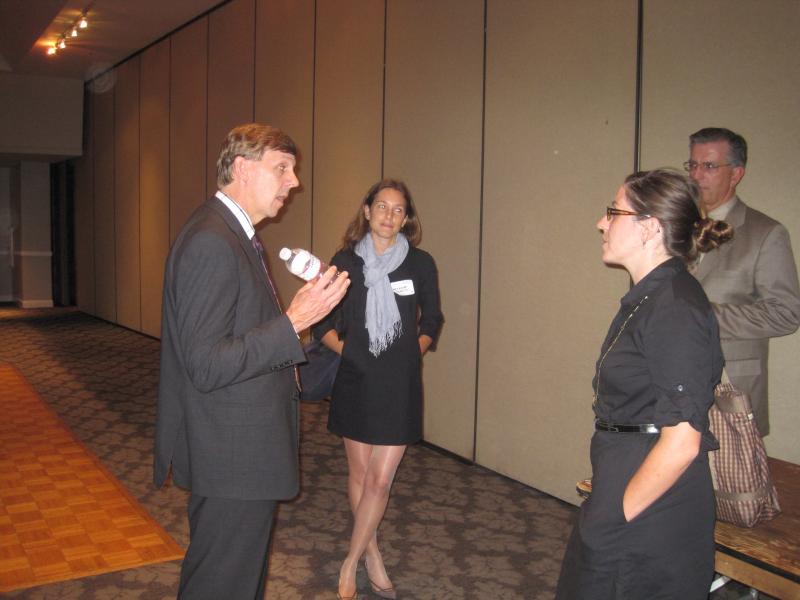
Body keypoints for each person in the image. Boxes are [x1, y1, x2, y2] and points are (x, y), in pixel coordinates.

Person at [154, 123, 350, 599]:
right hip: (231, 456)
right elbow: (205, 362)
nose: (294, 182)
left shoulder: (232, 235)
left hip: (238, 451)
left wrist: (294, 321)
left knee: (234, 583)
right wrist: (293, 322)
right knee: (222, 585)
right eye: (282, 168)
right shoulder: (212, 241)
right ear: (242, 168)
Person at [556, 169, 733, 599]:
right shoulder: (653, 296)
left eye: (613, 212)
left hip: (650, 512)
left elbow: (682, 442)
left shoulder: (674, 306)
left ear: (650, 227)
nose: (602, 222)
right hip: (628, 484)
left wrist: (614, 515)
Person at [313, 179, 443, 600]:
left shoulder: (420, 264)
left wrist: (413, 351)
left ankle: (351, 561)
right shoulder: (344, 262)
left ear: (407, 218)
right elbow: (322, 323)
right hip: (356, 378)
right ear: (367, 211)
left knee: (381, 481)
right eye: (382, 206)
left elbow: (433, 320)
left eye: (398, 209)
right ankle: (372, 553)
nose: (389, 215)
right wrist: (349, 353)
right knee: (360, 474)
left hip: (399, 383)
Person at [686, 127, 800, 436]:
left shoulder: (765, 234)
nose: (696, 175)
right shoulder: (675, 229)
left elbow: (786, 314)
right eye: (692, 165)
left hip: (728, 391)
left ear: (736, 173)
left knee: (728, 485)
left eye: (709, 166)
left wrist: (704, 315)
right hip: (671, 384)